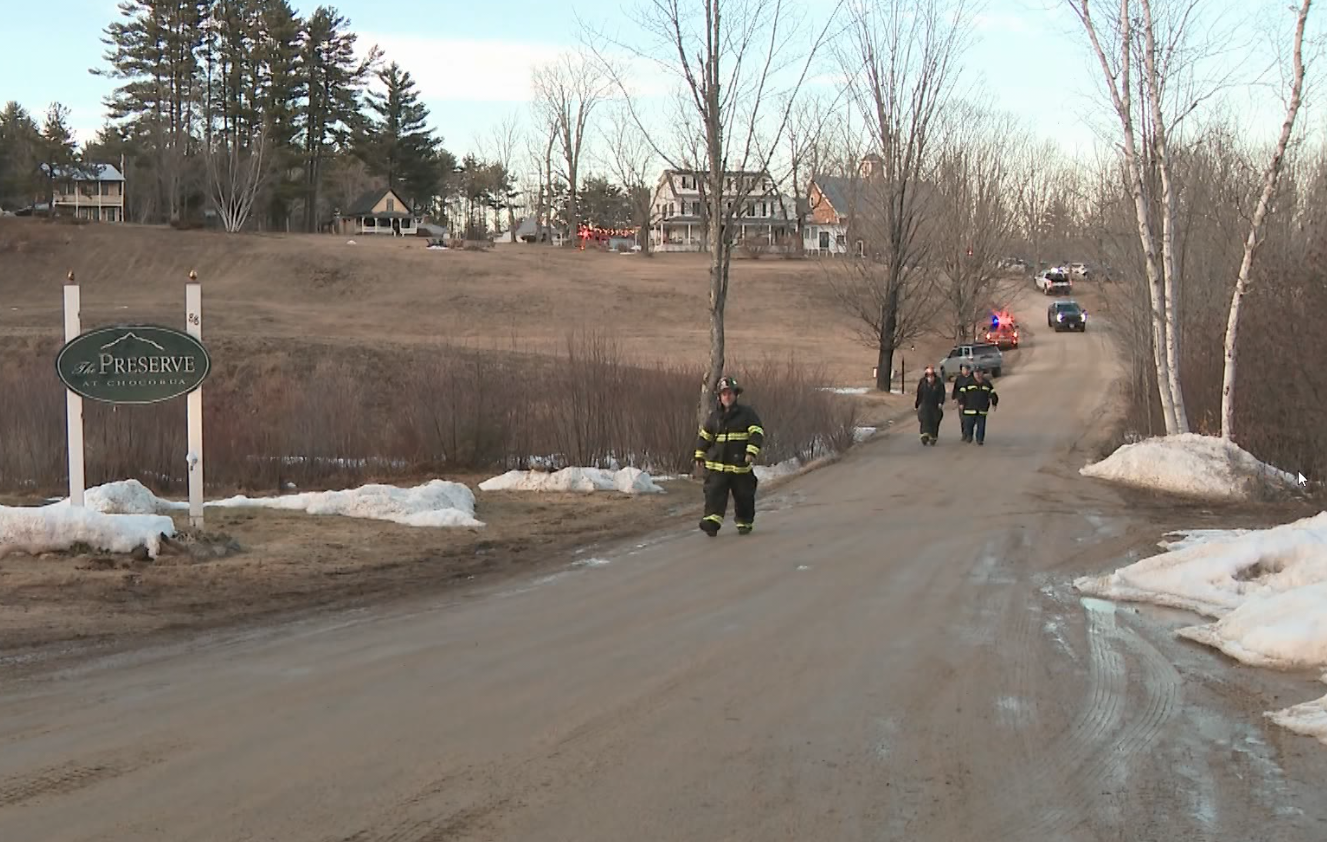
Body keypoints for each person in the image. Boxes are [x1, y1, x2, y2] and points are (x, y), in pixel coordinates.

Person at [694, 375, 765, 537]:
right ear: (719, 397)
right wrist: (699, 455)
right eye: (724, 394)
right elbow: (705, 437)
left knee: (744, 496)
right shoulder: (714, 417)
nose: (727, 397)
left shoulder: (747, 414)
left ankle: (744, 522)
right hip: (717, 467)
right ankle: (712, 522)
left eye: (730, 393)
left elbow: (757, 432)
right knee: (713, 493)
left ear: (736, 395)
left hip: (740, 466)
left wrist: (751, 452)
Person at [959, 368, 999, 445]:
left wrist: (994, 403)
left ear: (982, 373)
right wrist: (961, 402)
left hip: (982, 409)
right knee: (968, 425)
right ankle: (969, 436)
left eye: (979, 372)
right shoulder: (968, 382)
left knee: (981, 426)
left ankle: (980, 439)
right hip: (969, 409)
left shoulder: (986, 383)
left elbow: (992, 393)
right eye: (975, 372)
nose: (977, 374)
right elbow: (961, 393)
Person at [915, 365, 945, 446]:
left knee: (934, 421)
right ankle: (924, 435)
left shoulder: (939, 383)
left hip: (935, 405)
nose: (930, 378)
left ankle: (933, 436)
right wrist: (917, 404)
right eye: (928, 376)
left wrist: (940, 402)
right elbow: (919, 394)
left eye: (931, 376)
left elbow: (942, 394)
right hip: (925, 404)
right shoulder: (922, 382)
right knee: (924, 419)